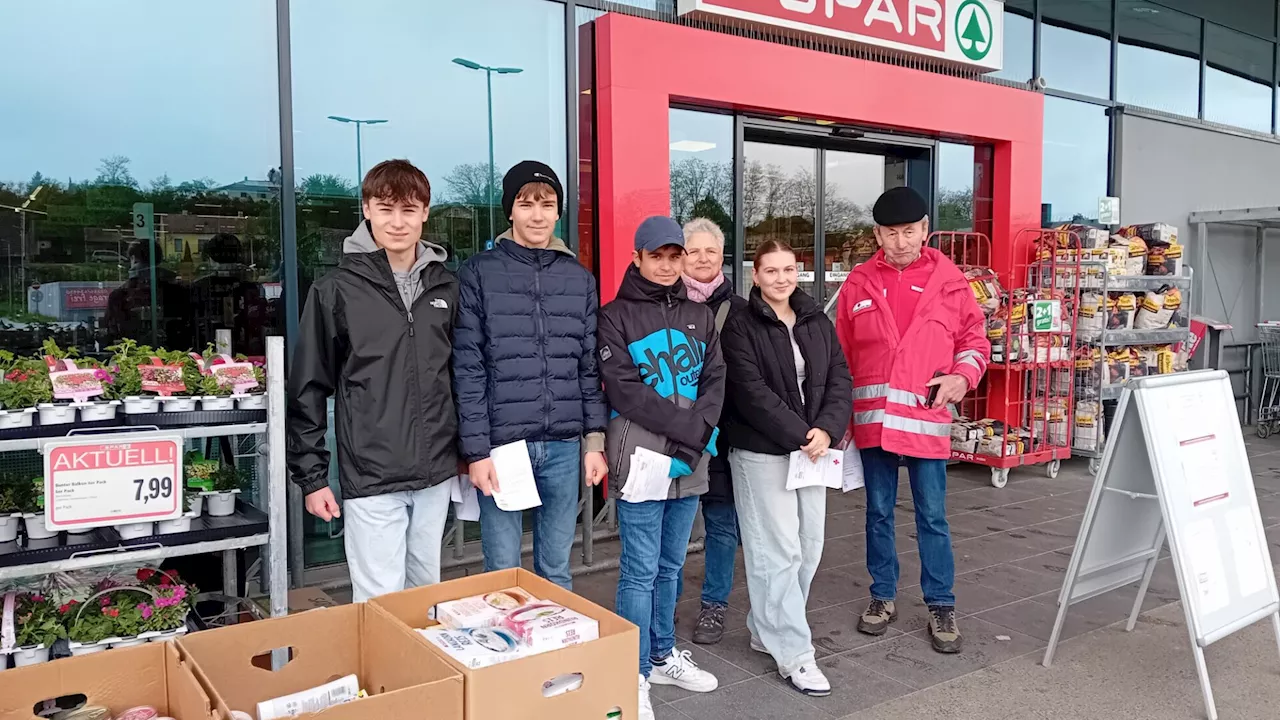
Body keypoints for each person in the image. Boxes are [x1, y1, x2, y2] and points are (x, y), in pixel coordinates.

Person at [287, 159, 460, 602]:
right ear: (366, 210)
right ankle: (385, 676)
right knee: (380, 600)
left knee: (426, 594)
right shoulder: (335, 290)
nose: (397, 223)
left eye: (408, 210)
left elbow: (461, 377)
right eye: (385, 209)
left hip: (435, 472)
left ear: (425, 212)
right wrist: (312, 478)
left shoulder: (445, 288)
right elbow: (308, 387)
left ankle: (425, 674)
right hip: (371, 474)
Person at [835, 186, 989, 654]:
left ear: (925, 230)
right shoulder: (858, 283)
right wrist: (836, 419)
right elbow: (839, 357)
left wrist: (963, 378)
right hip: (875, 423)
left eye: (910, 231)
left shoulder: (951, 282)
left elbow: (975, 342)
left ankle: (941, 603)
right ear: (877, 234)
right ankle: (882, 596)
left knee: (932, 517)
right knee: (877, 514)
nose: (901, 241)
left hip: (924, 422)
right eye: (891, 233)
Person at [453, 161, 608, 591]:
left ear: (558, 212)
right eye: (526, 204)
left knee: (557, 570)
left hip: (562, 446)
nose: (537, 215)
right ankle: (506, 655)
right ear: (510, 211)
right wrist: (476, 451)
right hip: (503, 448)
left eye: (547, 204)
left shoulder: (579, 278)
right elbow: (468, 368)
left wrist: (594, 443)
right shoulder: (479, 272)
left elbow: (588, 366)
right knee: (501, 572)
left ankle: (554, 655)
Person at [598, 216, 726, 719]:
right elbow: (625, 389)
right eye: (658, 256)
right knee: (638, 570)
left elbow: (716, 382)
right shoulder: (614, 316)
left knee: (672, 565)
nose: (668, 264)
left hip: (689, 460)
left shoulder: (701, 315)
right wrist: (688, 430)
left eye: (676, 256)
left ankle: (661, 651)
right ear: (638, 258)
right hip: (642, 457)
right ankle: (632, 674)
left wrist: (695, 441)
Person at [720, 240, 852, 696]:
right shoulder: (740, 326)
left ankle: (765, 625)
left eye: (789, 269)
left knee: (809, 547)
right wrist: (803, 433)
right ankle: (795, 654)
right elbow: (751, 393)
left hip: (812, 452)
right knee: (777, 553)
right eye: (771, 271)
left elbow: (840, 376)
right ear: (754, 276)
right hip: (763, 452)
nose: (781, 278)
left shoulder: (816, 319)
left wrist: (827, 430)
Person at [674, 218, 747, 646]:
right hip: (676, 432)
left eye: (711, 251)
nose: (702, 258)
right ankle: (668, 600)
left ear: (722, 257)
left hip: (724, 436)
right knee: (676, 525)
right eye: (694, 250)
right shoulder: (663, 302)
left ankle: (714, 606)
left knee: (721, 524)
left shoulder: (740, 309)